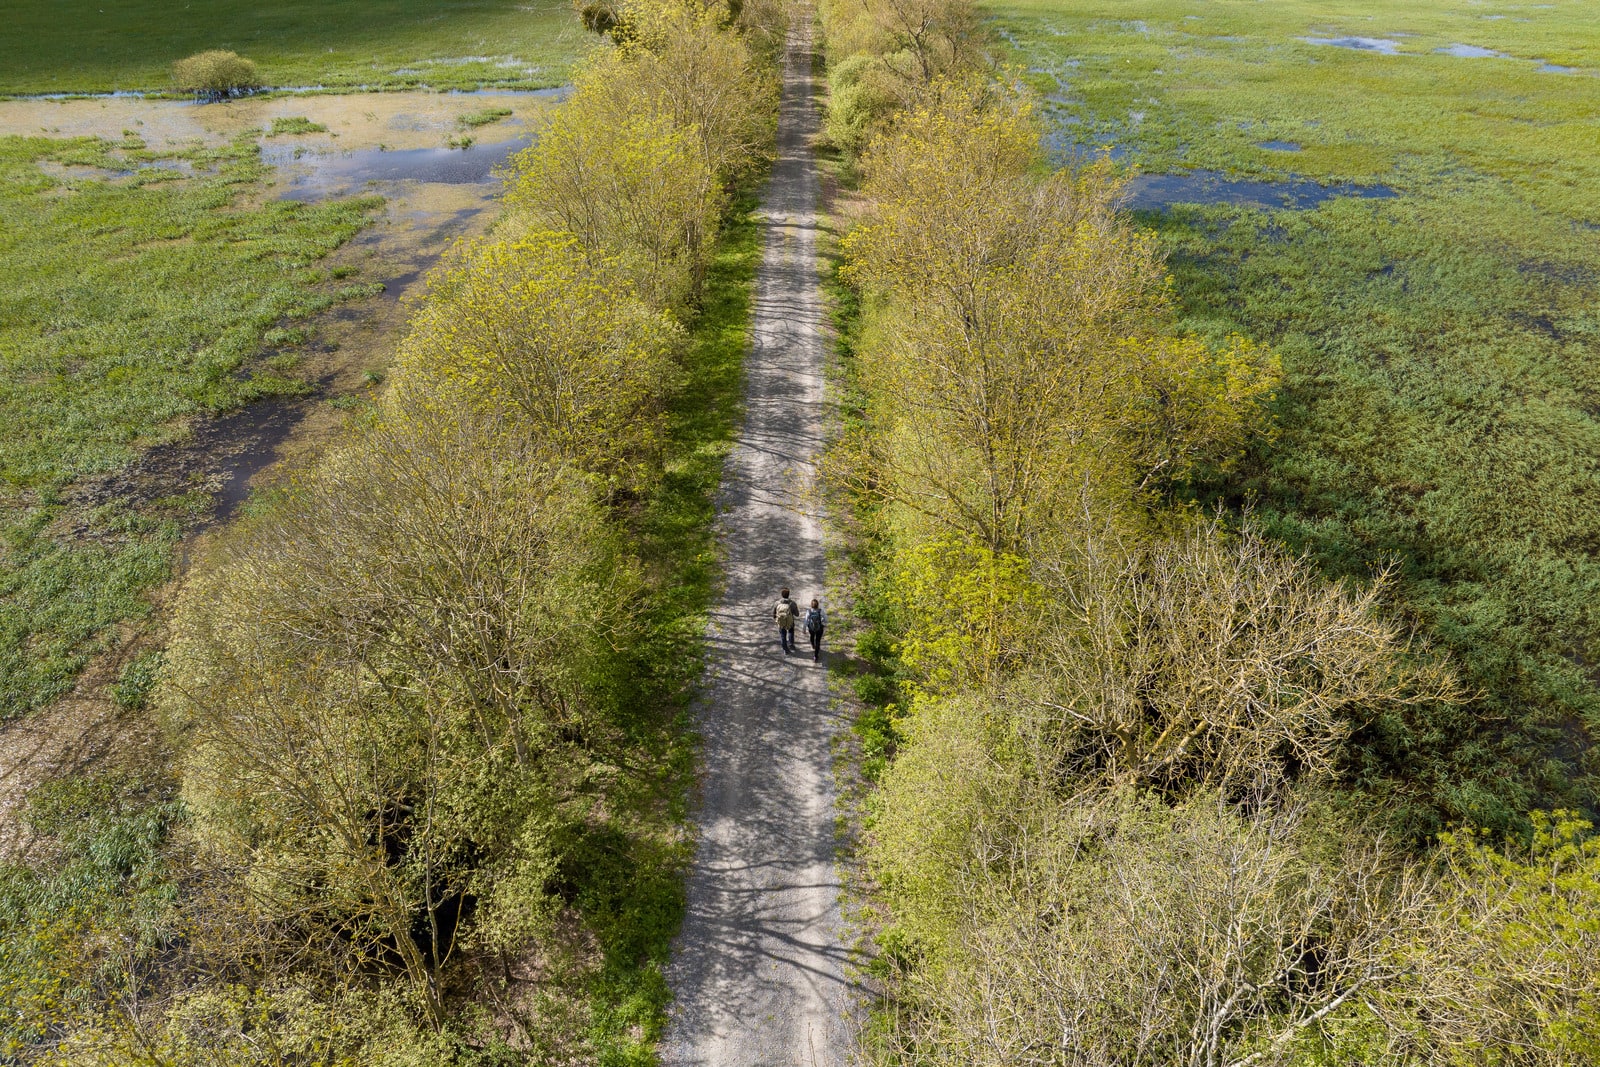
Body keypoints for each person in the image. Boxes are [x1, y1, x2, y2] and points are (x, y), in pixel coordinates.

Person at [774, 587, 799, 654]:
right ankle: (791, 644)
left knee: (783, 635)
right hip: (790, 621)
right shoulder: (792, 603)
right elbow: (797, 614)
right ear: (788, 594)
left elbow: (774, 613)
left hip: (781, 621)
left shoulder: (777, 603)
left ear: (782, 595)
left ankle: (785, 650)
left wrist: (776, 619)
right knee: (791, 631)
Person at [803, 597, 826, 662]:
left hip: (811, 628)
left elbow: (805, 621)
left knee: (812, 636)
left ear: (811, 605)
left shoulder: (809, 611)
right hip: (819, 628)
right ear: (817, 605)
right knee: (818, 641)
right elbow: (826, 619)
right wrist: (822, 621)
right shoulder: (820, 611)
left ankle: (813, 645)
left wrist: (804, 629)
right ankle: (816, 656)